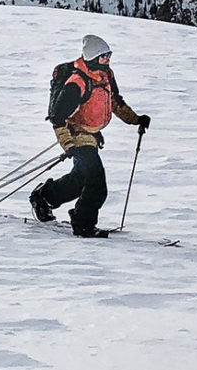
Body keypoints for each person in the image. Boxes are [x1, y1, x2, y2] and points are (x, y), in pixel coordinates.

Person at [30, 34, 151, 238]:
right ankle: (83, 224)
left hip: (92, 136)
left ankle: (44, 197)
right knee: (96, 183)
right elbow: (58, 117)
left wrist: (136, 119)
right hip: (77, 135)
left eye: (109, 55)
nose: (108, 59)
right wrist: (68, 145)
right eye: (104, 56)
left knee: (80, 180)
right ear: (93, 57)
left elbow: (115, 103)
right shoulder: (77, 82)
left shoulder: (105, 76)